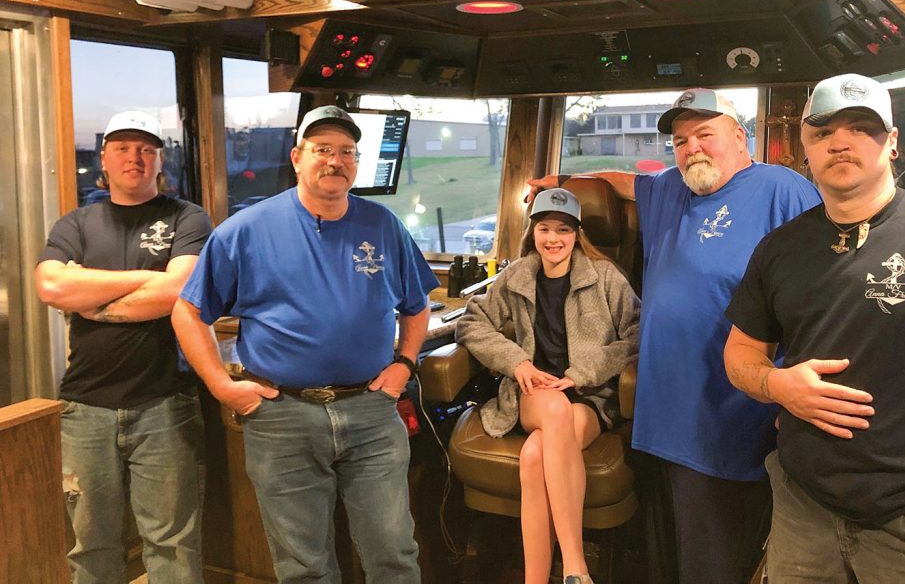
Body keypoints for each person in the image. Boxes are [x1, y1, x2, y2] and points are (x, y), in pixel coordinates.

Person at [723, 73, 905, 583]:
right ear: (805, 148)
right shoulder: (779, 249)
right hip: (804, 515)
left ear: (892, 142)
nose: (839, 141)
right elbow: (740, 353)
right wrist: (778, 385)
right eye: (822, 132)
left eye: (860, 128)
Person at [528, 89, 821, 584]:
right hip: (662, 417)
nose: (692, 148)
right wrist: (552, 182)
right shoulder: (670, 189)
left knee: (719, 562)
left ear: (739, 135)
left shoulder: (781, 189)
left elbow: (819, 295)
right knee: (669, 561)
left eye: (705, 134)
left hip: (732, 418)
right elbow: (622, 182)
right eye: (681, 140)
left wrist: (788, 397)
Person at [171, 105, 438, 584]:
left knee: (394, 554)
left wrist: (404, 364)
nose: (335, 161)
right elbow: (187, 311)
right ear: (297, 157)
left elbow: (417, 306)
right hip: (281, 418)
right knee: (303, 566)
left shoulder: (383, 225)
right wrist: (218, 384)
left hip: (372, 413)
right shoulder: (245, 230)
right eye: (322, 150)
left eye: (346, 152)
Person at [35, 110, 211, 584]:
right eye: (122, 148)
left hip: (166, 402)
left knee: (172, 544)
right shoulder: (77, 222)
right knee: (90, 545)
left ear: (160, 162)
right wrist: (147, 279)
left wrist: (91, 295)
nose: (134, 157)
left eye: (146, 149)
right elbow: (51, 287)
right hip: (84, 406)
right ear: (104, 162)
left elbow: (178, 291)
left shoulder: (186, 217)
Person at [456, 188, 640, 584]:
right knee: (554, 407)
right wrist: (516, 361)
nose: (553, 239)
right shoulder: (518, 274)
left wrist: (582, 373)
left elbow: (637, 335)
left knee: (534, 457)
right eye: (544, 229)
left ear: (576, 234)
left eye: (563, 229)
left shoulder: (605, 275)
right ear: (533, 232)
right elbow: (470, 322)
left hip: (590, 397)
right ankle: (576, 567)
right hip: (535, 394)